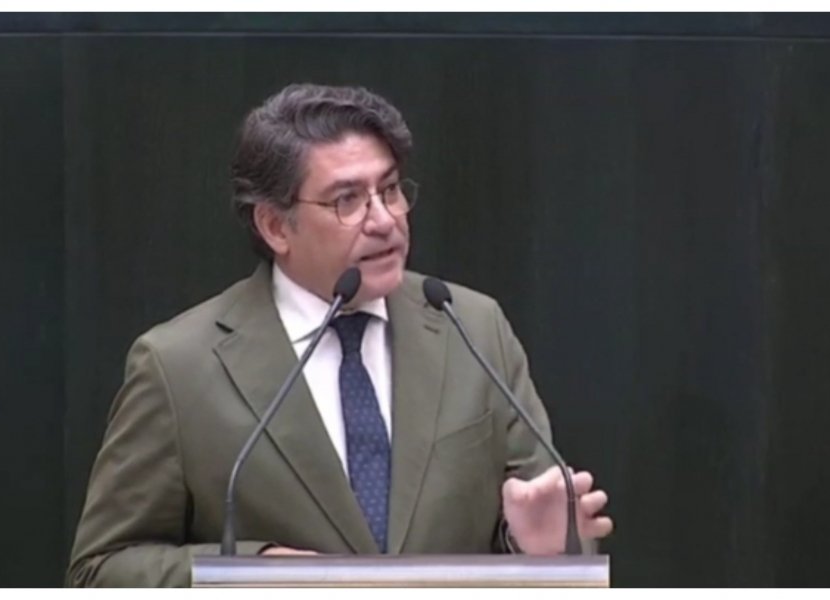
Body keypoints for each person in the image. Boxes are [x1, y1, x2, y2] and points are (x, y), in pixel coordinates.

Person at [66, 83, 613, 587]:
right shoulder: (179, 366)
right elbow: (99, 571)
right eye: (347, 200)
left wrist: (541, 546)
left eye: (390, 190)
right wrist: (253, 572)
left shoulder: (471, 326)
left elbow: (560, 531)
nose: (385, 220)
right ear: (275, 225)